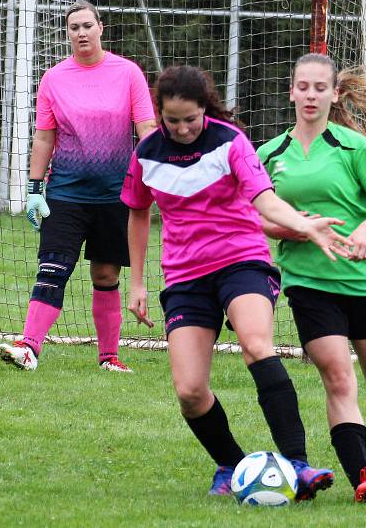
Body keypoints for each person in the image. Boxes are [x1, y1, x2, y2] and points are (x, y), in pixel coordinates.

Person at [121, 65, 350, 499]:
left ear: (205, 109)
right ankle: (230, 464)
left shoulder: (230, 141)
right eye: (173, 120)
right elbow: (136, 211)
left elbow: (264, 198)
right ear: (160, 113)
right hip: (186, 275)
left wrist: (307, 227)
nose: (184, 128)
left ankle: (298, 465)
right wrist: (137, 283)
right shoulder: (147, 152)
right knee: (189, 390)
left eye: (191, 118)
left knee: (256, 344)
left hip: (241, 259)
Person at [257, 53, 366, 503]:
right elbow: (254, 215)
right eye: (302, 87)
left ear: (334, 93)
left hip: (363, 279)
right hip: (308, 282)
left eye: (319, 88)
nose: (310, 95)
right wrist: (291, 229)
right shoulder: (269, 154)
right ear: (290, 91)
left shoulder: (357, 148)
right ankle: (363, 476)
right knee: (337, 376)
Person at [0, 0, 156, 372]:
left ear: (101, 28)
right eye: (73, 28)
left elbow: (146, 129)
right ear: (67, 34)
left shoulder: (128, 73)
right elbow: (44, 138)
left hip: (116, 194)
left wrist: (156, 173)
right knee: (53, 268)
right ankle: (29, 347)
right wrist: (35, 189)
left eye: (87, 25)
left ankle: (109, 358)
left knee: (106, 274)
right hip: (66, 193)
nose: (81, 33)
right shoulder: (54, 78)